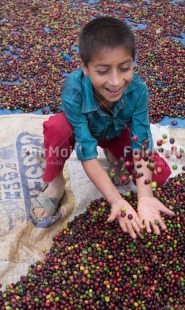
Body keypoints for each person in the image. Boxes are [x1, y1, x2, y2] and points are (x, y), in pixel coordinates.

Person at [30, 16, 174, 239]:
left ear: (134, 62)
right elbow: (86, 151)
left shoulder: (138, 90)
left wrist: (144, 196)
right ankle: (55, 184)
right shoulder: (74, 90)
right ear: (85, 67)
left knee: (160, 175)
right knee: (57, 127)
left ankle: (113, 154)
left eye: (124, 68)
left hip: (117, 134)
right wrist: (116, 199)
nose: (116, 81)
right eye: (103, 71)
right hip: (83, 133)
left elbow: (141, 143)